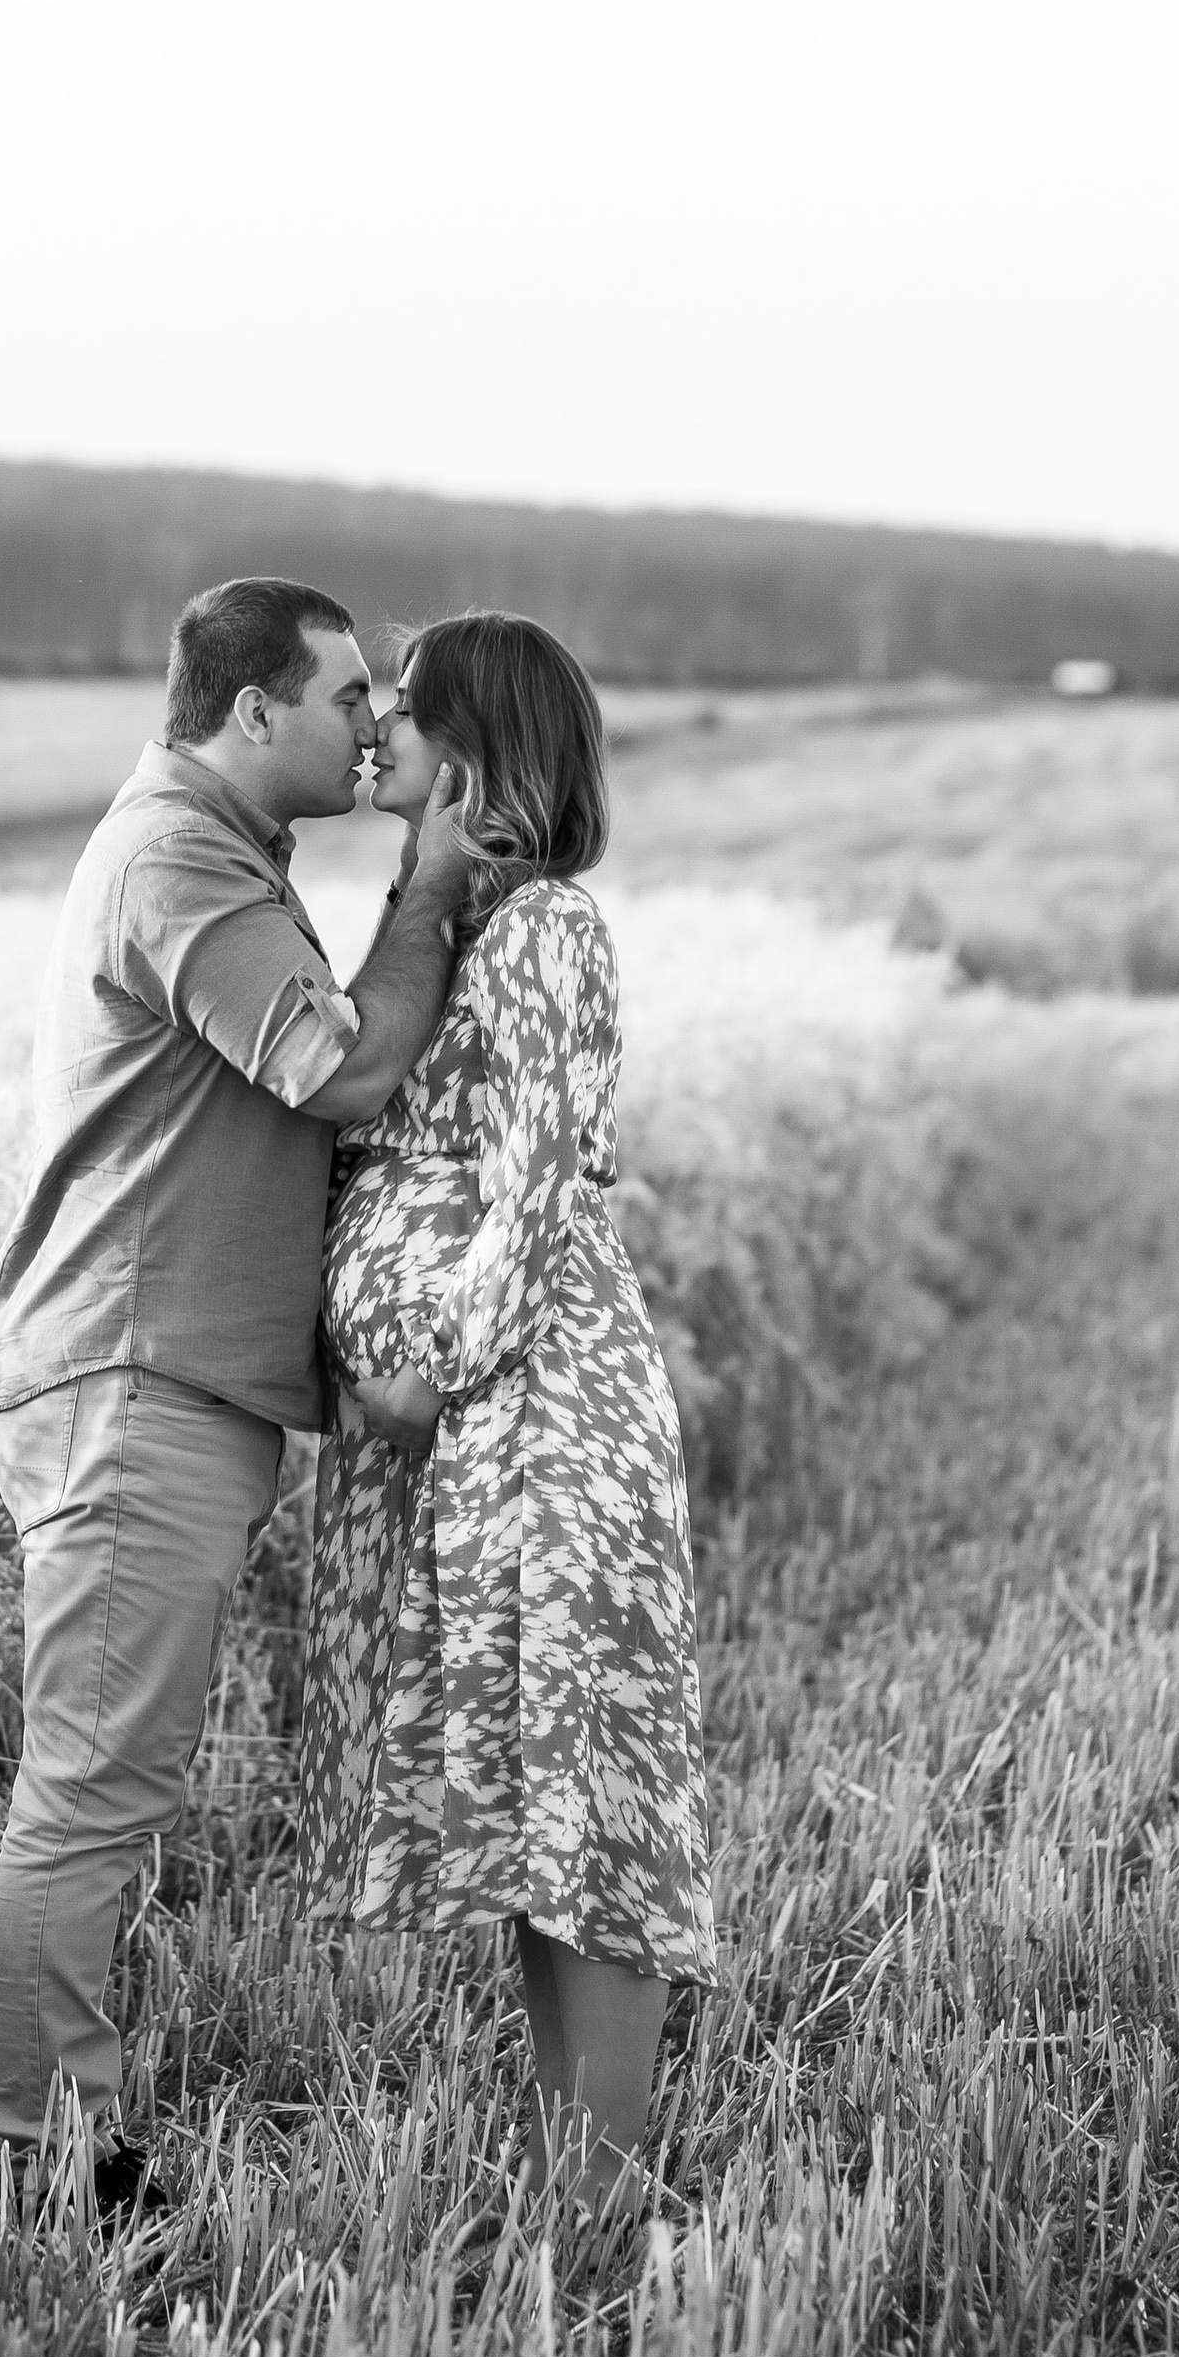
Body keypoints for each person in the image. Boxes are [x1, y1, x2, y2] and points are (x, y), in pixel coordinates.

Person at [0, 575, 474, 2213]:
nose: (374, 729)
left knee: (110, 1782)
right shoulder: (179, 859)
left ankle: (58, 2142)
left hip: (164, 1380)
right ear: (254, 711)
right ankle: (38, 2170)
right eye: (347, 700)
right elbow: (342, 1066)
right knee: (93, 1789)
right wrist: (429, 886)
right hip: (134, 1382)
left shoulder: (216, 852)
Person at [295, 611, 717, 2216]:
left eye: (408, 709)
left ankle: (600, 2192)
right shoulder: (452, 926)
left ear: (477, 748)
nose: (378, 728)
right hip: (473, 1430)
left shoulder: (545, 928)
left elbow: (537, 1186)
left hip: (537, 1414)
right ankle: (573, 2178)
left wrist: (429, 1369)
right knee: (534, 1815)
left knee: (583, 1801)